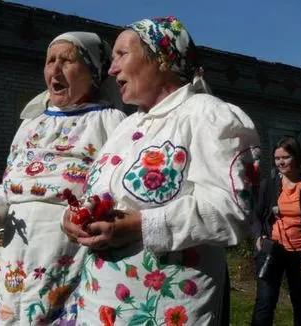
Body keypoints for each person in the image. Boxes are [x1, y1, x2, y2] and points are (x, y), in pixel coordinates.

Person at [62, 17, 261, 325]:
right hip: (98, 305)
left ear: (162, 58)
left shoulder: (208, 115)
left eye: (122, 55)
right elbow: (101, 195)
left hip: (168, 308)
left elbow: (233, 210)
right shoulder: (125, 127)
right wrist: (77, 216)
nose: (112, 69)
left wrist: (142, 226)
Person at [0, 31, 126, 325]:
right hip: (17, 254)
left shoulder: (110, 122)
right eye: (50, 60)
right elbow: (9, 188)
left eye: (67, 60)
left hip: (69, 251)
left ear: (92, 71)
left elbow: (115, 191)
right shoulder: (31, 123)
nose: (55, 69)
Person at [251, 136, 301, 326]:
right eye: (277, 158)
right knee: (264, 302)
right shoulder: (269, 185)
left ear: (297, 157)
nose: (281, 162)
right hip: (272, 252)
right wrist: (258, 235)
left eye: (285, 157)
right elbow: (257, 216)